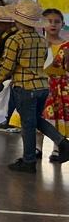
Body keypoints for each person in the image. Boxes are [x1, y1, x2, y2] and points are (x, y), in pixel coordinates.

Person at [0, 0, 69, 170]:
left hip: (24, 86)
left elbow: (8, 65)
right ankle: (63, 143)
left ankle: (29, 161)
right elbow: (43, 61)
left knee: (28, 125)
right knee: (36, 120)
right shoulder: (41, 40)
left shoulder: (15, 40)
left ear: (17, 20)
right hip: (42, 86)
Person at [43, 8, 69, 142]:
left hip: (61, 87)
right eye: (49, 21)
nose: (53, 24)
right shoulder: (38, 43)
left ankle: (58, 147)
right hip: (41, 85)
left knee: (60, 117)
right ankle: (37, 147)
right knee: (40, 116)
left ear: (62, 24)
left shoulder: (66, 46)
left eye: (57, 22)